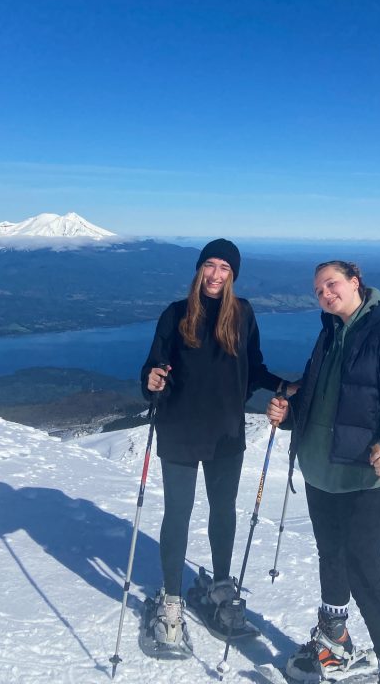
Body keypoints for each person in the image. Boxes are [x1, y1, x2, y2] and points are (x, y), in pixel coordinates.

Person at [267, 261, 380, 684]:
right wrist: (288, 412)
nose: (324, 293)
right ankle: (334, 641)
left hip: (360, 476)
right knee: (331, 557)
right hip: (319, 472)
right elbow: (318, 396)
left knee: (364, 570)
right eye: (318, 289)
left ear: (356, 283)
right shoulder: (328, 335)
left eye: (331, 284)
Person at [140, 238, 289, 657]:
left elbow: (252, 368)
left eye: (225, 267)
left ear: (233, 275)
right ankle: (171, 602)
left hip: (226, 433)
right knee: (179, 513)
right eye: (210, 264)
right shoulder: (175, 314)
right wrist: (151, 380)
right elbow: (152, 365)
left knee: (223, 512)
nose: (216, 274)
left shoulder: (243, 315)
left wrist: (284, 387)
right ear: (199, 268)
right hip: (180, 430)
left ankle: (220, 589)